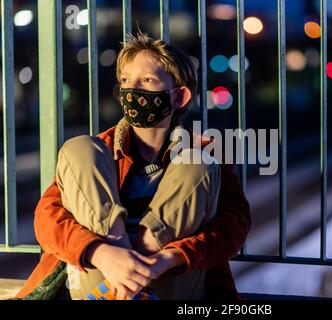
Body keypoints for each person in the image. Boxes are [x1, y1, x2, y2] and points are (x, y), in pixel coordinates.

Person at [15, 32, 251, 300]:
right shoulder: (98, 150)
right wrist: (105, 253)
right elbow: (48, 218)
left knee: (196, 163)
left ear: (179, 98)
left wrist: (167, 258)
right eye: (126, 80)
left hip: (166, 279)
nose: (132, 90)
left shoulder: (206, 152)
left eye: (147, 81)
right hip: (99, 281)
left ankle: (133, 270)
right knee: (78, 147)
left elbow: (234, 226)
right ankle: (123, 267)